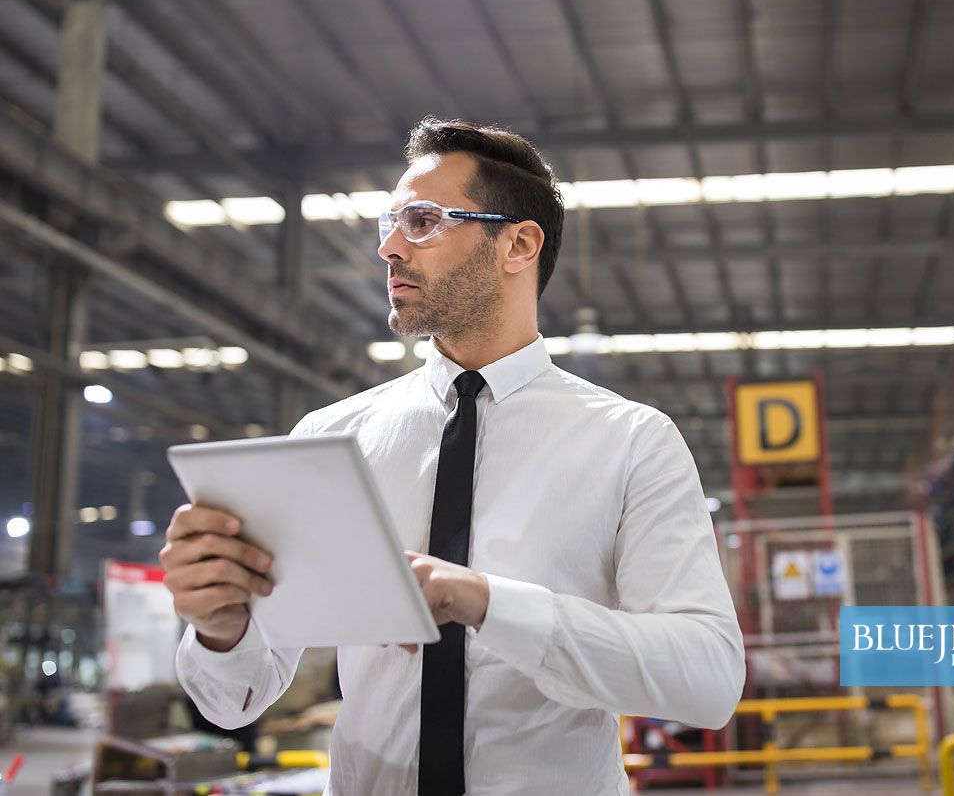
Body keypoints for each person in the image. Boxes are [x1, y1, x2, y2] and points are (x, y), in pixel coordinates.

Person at [162, 117, 745, 795]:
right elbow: (236, 700)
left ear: (518, 244)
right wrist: (221, 630)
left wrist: (487, 602)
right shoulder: (331, 437)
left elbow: (706, 680)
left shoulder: (630, 442)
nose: (387, 247)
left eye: (421, 220)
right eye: (389, 222)